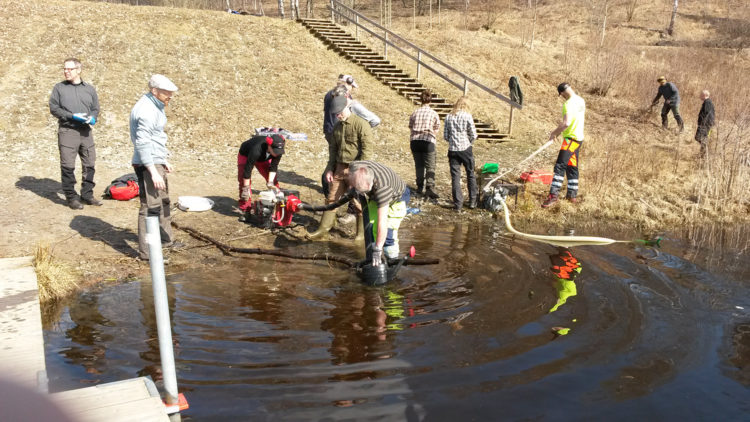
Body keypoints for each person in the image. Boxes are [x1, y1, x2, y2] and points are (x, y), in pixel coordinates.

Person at [307, 95, 373, 240]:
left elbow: (367, 151)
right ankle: (323, 230)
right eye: (335, 113)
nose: (338, 115)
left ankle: (361, 236)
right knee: (331, 199)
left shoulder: (361, 125)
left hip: (356, 170)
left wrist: (359, 172)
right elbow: (333, 149)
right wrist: (330, 168)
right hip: (339, 168)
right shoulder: (337, 126)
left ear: (347, 107)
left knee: (358, 202)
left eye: (339, 112)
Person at [130, 74, 180, 261]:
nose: (170, 97)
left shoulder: (157, 105)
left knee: (164, 201)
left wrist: (163, 159)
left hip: (156, 159)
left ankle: (166, 239)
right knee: (149, 206)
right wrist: (152, 171)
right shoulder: (146, 111)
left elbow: (156, 137)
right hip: (147, 163)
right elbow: (142, 144)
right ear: (155, 91)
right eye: (167, 93)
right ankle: (147, 253)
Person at [49, 57, 101, 210]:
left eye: (70, 69)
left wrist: (93, 117)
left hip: (86, 132)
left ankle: (87, 194)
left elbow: (95, 108)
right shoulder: (59, 88)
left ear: (79, 70)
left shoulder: (89, 89)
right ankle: (71, 197)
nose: (66, 71)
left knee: (90, 163)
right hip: (68, 131)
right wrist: (72, 116)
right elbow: (54, 108)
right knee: (68, 166)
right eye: (65, 69)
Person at [322, 74, 380, 197]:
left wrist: (362, 129)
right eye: (350, 87)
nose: (351, 90)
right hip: (336, 135)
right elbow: (375, 120)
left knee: (355, 191)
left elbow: (373, 123)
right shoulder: (345, 102)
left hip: (352, 150)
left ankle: (352, 204)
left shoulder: (353, 111)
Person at [348, 161, 410, 262]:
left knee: (389, 233)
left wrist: (378, 248)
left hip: (398, 198)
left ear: (370, 185)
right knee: (371, 227)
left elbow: (382, 222)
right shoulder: (355, 166)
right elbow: (347, 171)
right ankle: (374, 259)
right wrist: (352, 187)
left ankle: (392, 259)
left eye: (363, 191)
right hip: (374, 195)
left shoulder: (382, 189)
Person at [542, 83, 586, 208]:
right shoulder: (581, 100)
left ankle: (553, 196)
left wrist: (553, 133)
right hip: (578, 139)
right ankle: (572, 196)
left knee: (560, 166)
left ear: (562, 93)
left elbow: (566, 123)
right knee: (572, 166)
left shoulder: (568, 104)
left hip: (571, 139)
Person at [443, 96, 478, 211]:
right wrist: (469, 142)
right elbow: (473, 134)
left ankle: (458, 204)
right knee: (470, 174)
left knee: (455, 177)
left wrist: (453, 141)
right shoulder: (467, 116)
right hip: (466, 148)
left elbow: (446, 136)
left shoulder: (448, 116)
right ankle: (473, 201)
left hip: (453, 150)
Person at [237, 134, 285, 211]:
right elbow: (247, 169)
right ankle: (245, 209)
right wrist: (246, 188)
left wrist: (270, 182)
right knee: (243, 183)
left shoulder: (278, 152)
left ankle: (278, 203)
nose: (277, 153)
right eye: (275, 151)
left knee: (273, 181)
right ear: (269, 146)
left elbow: (274, 166)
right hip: (246, 155)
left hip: (263, 158)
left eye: (279, 151)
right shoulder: (256, 150)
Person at [408, 89, 441, 199]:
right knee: (430, 165)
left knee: (419, 165)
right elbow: (437, 127)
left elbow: (410, 126)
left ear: (421, 100)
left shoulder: (415, 112)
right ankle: (429, 187)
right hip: (428, 140)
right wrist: (432, 133)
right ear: (430, 100)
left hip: (415, 140)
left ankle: (419, 187)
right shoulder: (434, 113)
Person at [695, 90, 715, 159]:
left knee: (699, 137)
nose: (700, 96)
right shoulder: (707, 102)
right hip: (706, 124)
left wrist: (702, 124)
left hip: (705, 124)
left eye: (701, 95)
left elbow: (706, 113)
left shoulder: (707, 102)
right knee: (703, 138)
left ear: (704, 95)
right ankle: (702, 155)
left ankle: (705, 152)